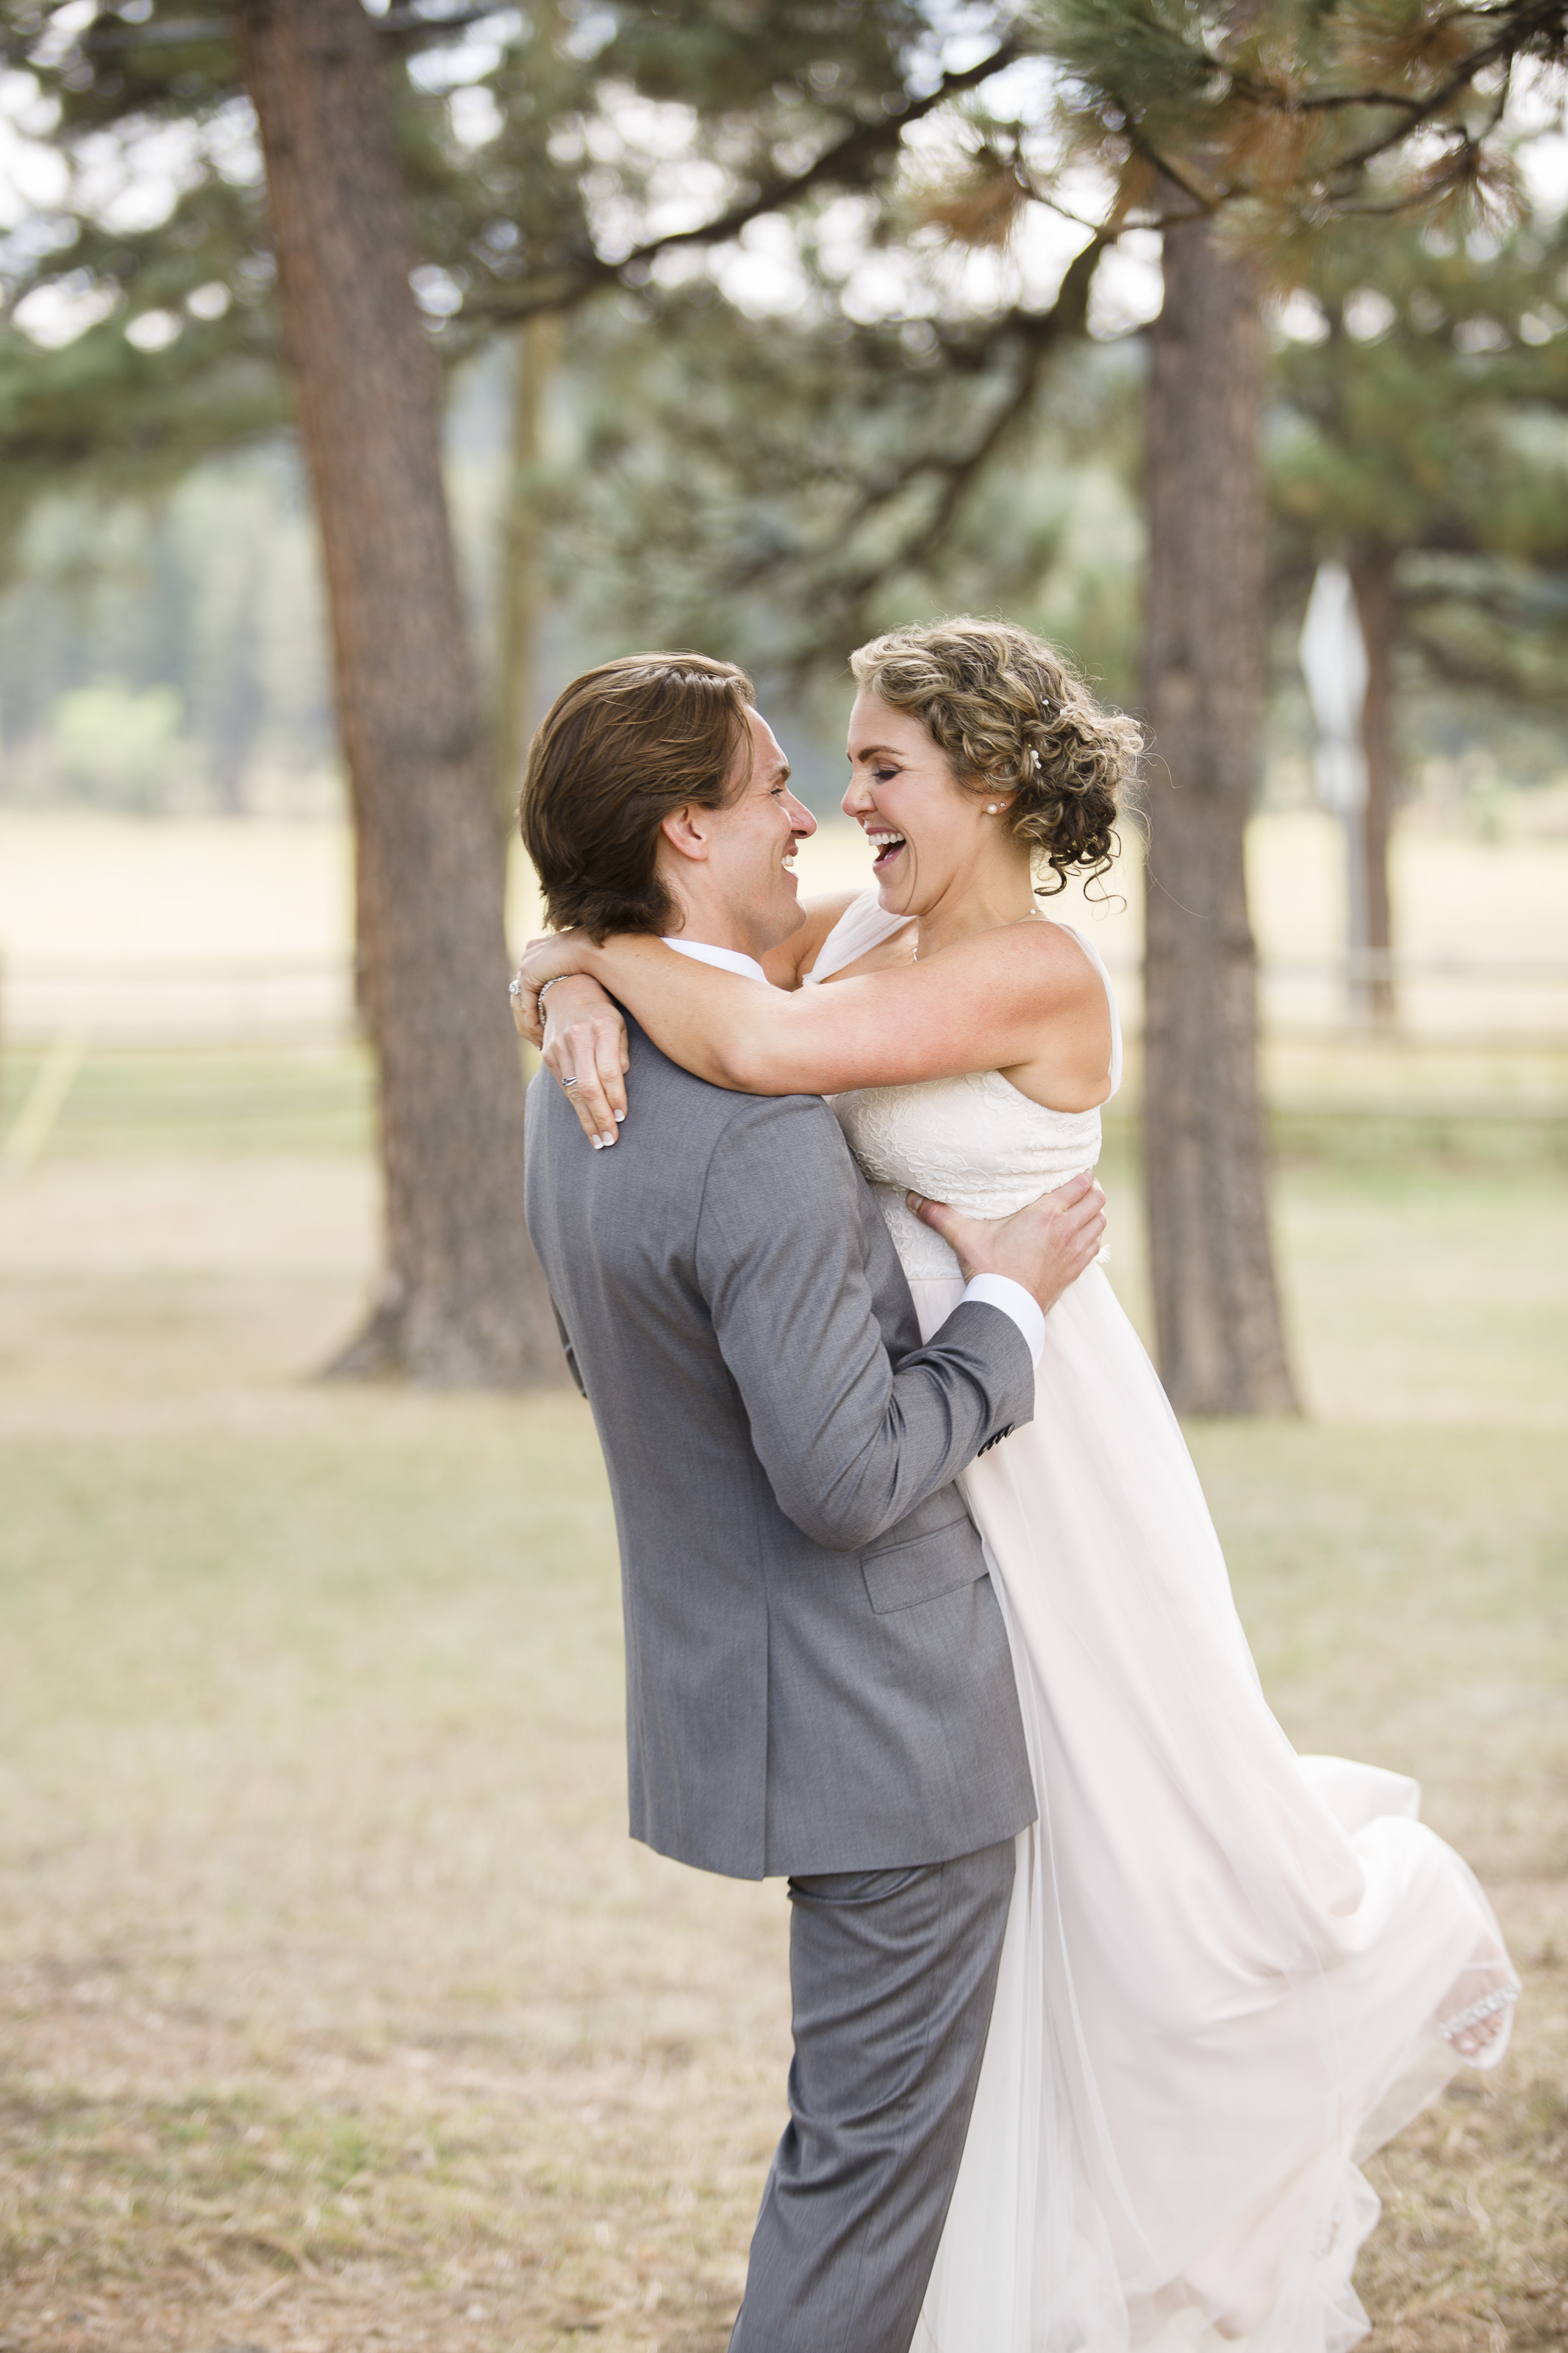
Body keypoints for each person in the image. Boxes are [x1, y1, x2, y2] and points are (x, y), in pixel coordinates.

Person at [515, 618, 1519, 2353]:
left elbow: (755, 1052)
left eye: (882, 766)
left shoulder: (1036, 974)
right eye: (817, 771)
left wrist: (567, 956)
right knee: (997, 1981)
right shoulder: (866, 930)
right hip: (927, 1456)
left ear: (980, 781)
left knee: (1159, 1876)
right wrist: (568, 968)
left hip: (1045, 1446)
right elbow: (740, 990)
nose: (843, 801)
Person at [516, 650, 1111, 2353]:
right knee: (858, 2188)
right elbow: (845, 1477)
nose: (809, 812)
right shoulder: (750, 1113)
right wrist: (1003, 1302)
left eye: (856, 768)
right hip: (886, 1707)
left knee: (861, 2149)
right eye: (777, 779)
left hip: (775, 1675)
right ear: (685, 828)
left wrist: (565, 957)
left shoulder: (576, 1091)